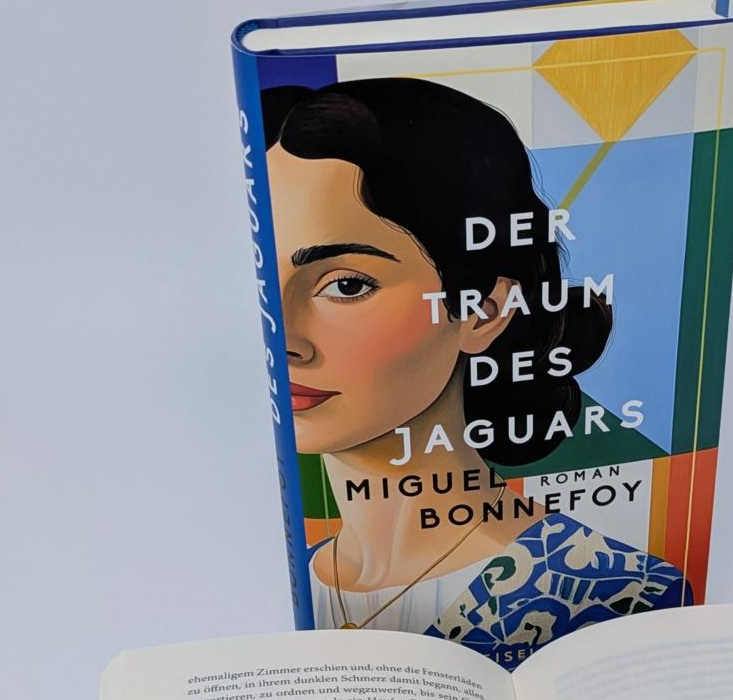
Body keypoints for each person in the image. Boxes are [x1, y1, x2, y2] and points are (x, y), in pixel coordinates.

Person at [262, 77, 690, 665]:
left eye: (347, 285)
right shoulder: (296, 587)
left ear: (483, 310)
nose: (281, 339)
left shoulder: (622, 594)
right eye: (264, 282)